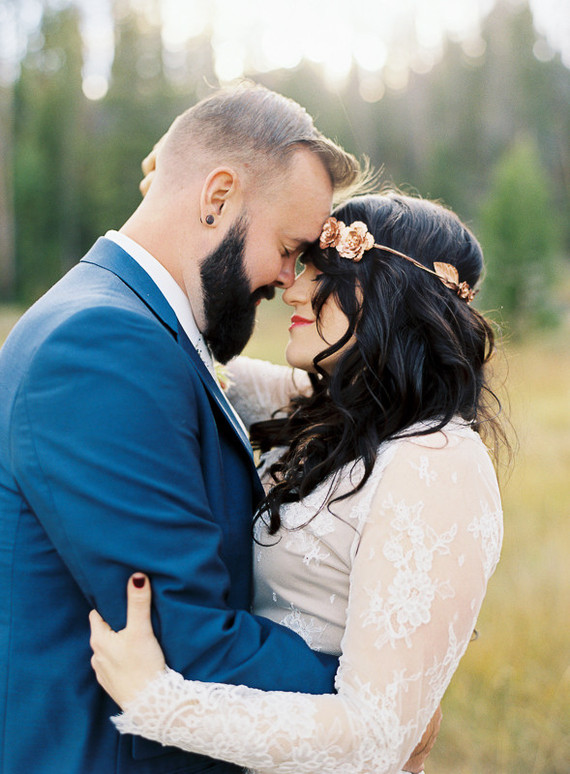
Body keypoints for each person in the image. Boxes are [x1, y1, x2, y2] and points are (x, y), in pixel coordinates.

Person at [0, 83, 372, 774]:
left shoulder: (130, 321)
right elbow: (191, 637)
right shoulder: (101, 346)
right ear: (217, 197)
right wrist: (376, 707)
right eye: (287, 247)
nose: (288, 280)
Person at [89, 192, 505, 773]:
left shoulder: (436, 464)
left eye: (325, 273)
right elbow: (192, 366)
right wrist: (176, 199)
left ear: (390, 294)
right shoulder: (339, 410)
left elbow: (377, 738)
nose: (294, 289)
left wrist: (160, 703)